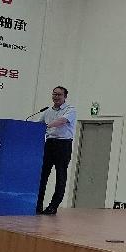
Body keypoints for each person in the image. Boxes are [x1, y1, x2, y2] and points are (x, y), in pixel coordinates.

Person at [36, 86, 77, 215]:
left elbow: (62, 121)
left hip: (63, 144)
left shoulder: (70, 109)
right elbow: (38, 125)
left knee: (60, 176)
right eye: (54, 94)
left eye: (59, 95)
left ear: (65, 97)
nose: (56, 97)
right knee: (42, 176)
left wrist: (47, 126)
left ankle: (53, 206)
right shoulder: (47, 111)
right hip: (49, 144)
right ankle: (37, 205)